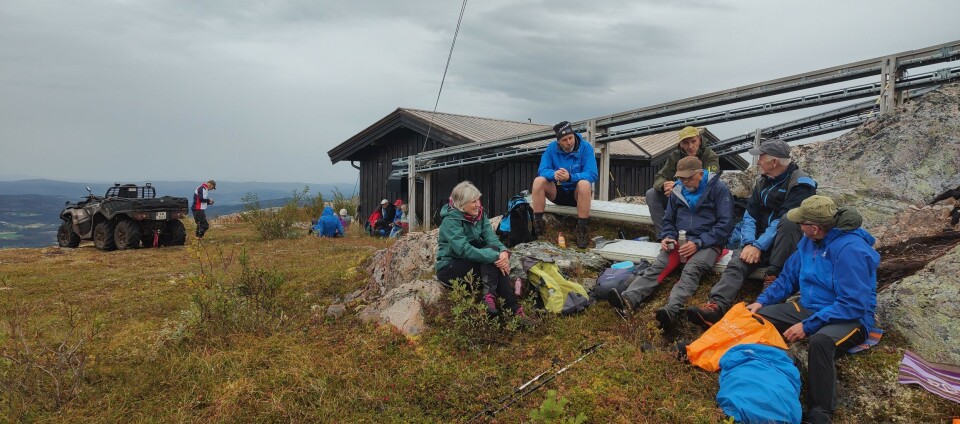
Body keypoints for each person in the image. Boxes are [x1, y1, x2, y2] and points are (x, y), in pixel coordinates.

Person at [745, 195, 879, 424]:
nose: (798, 226)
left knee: (820, 342)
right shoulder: (808, 241)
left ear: (814, 227)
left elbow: (854, 304)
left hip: (850, 318)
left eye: (801, 223)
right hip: (809, 306)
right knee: (757, 318)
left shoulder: (851, 250)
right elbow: (788, 277)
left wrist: (808, 326)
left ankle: (821, 411)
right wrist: (762, 302)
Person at [687, 139, 816, 328]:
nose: (757, 162)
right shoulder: (763, 180)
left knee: (789, 221)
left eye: (761, 158)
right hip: (759, 242)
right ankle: (716, 306)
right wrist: (748, 243)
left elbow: (782, 221)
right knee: (737, 263)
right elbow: (750, 214)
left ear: (774, 162)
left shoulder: (801, 184)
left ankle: (771, 285)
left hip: (786, 246)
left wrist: (758, 246)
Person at [608, 157, 734, 335]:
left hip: (709, 244)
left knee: (691, 270)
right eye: (681, 178)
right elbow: (668, 220)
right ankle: (628, 299)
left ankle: (671, 310)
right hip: (680, 240)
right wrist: (668, 236)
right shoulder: (678, 189)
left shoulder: (719, 189)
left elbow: (725, 224)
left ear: (700, 173)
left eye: (688, 178)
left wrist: (699, 242)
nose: (684, 182)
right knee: (659, 266)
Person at [435, 181, 528, 319]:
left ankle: (491, 299)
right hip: (450, 266)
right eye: (473, 201)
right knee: (492, 261)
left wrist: (503, 252)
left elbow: (491, 239)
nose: (478, 204)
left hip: (472, 261)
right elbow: (464, 250)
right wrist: (495, 257)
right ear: (461, 204)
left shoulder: (479, 214)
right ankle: (514, 310)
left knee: (493, 250)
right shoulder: (450, 220)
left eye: (478, 199)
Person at [531, 121, 599, 248]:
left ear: (574, 135)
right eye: (564, 140)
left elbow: (592, 174)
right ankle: (538, 225)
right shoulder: (551, 148)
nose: (569, 142)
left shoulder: (586, 147)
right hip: (558, 192)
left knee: (584, 184)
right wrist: (554, 174)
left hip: (578, 195)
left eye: (570, 137)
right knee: (538, 181)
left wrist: (571, 177)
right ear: (558, 142)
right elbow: (542, 170)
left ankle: (582, 229)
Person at [646, 126, 720, 238]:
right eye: (686, 142)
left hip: (701, 199)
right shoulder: (675, 156)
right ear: (680, 144)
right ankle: (664, 235)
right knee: (651, 194)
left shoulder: (710, 156)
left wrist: (677, 187)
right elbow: (660, 177)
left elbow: (710, 179)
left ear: (699, 140)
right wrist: (664, 185)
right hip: (678, 198)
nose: (690, 146)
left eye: (693, 141)